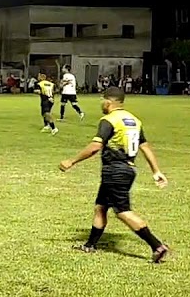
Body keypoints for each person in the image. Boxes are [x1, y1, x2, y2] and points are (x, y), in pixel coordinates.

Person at [59, 87, 170, 263]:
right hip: (127, 169)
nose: (101, 104)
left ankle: (157, 246)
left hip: (115, 171)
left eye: (102, 100)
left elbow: (95, 147)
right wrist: (156, 171)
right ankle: (90, 245)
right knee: (100, 206)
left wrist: (72, 161)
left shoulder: (109, 120)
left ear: (108, 102)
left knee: (123, 211)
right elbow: (145, 147)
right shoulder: (134, 120)